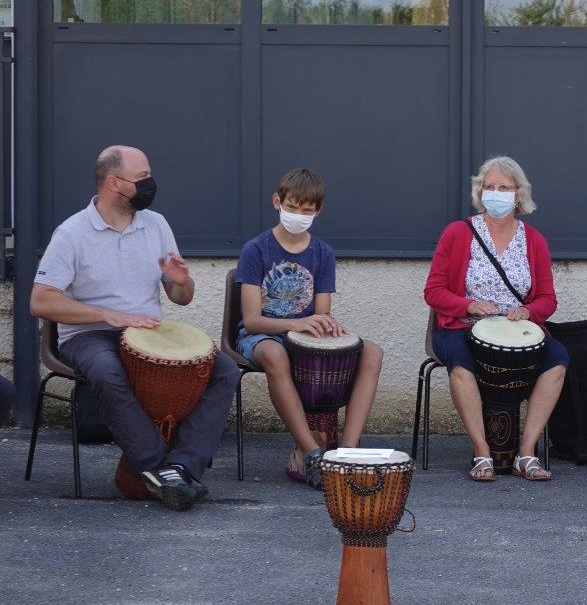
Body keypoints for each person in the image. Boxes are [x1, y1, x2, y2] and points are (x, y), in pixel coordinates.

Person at [30, 145, 238, 511]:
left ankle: (182, 466)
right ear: (114, 182)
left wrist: (180, 282)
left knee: (223, 369)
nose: (150, 184)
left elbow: (181, 297)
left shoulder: (156, 224)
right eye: (142, 177)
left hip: (146, 331)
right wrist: (107, 315)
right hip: (89, 335)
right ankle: (156, 465)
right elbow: (41, 301)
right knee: (109, 373)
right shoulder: (72, 233)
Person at [235, 168, 384, 490]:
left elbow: (321, 312)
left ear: (317, 211)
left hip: (302, 337)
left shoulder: (323, 253)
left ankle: (348, 451)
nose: (298, 216)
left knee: (372, 351)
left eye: (306, 211)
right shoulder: (255, 250)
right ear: (278, 201)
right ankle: (313, 453)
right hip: (262, 336)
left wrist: (326, 324)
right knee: (275, 353)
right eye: (292, 207)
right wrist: (296, 323)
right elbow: (251, 320)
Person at [424, 156, 568, 482]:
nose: (496, 193)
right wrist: (468, 305)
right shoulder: (457, 234)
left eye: (504, 187)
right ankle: (482, 451)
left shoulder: (534, 241)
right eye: (489, 186)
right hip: (463, 325)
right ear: (480, 192)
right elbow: (433, 292)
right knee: (460, 361)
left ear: (518, 194)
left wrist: (529, 312)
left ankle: (527, 452)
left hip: (517, 329)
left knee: (558, 358)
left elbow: (548, 299)